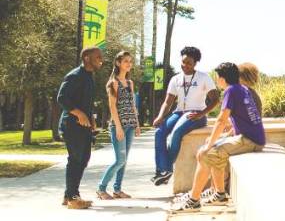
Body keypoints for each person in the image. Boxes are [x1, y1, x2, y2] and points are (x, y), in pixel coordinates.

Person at [172, 62, 265, 213]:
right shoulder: (241, 90)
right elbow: (240, 121)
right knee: (209, 150)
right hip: (249, 137)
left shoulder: (234, 91)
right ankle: (217, 193)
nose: (216, 81)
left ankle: (195, 199)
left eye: (217, 78)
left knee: (207, 153)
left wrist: (212, 142)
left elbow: (222, 120)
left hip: (249, 140)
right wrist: (218, 139)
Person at [151, 46, 220, 186]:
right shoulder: (176, 79)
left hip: (196, 114)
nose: (185, 65)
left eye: (189, 63)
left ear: (195, 63)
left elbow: (215, 100)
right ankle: (161, 171)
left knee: (177, 132)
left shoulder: (203, 77)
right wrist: (160, 117)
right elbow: (167, 102)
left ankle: (166, 170)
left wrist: (201, 114)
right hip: (178, 112)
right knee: (159, 132)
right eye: (183, 62)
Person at [56, 47, 103, 209]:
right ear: (86, 58)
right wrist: (79, 114)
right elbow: (61, 98)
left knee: (83, 159)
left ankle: (69, 194)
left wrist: (91, 119)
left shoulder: (89, 77)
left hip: (84, 126)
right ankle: (73, 198)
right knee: (75, 159)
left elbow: (86, 102)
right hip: (71, 125)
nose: (100, 60)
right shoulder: (75, 75)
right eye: (97, 57)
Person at [96, 51, 141, 200]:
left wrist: (137, 124)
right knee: (119, 160)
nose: (129, 64)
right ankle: (101, 188)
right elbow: (113, 107)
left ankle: (117, 190)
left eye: (130, 61)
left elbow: (132, 105)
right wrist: (119, 127)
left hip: (130, 125)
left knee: (124, 160)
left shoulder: (130, 83)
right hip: (118, 126)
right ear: (118, 63)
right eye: (125, 61)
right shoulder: (113, 83)